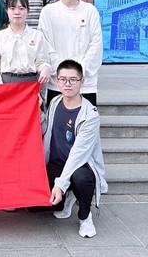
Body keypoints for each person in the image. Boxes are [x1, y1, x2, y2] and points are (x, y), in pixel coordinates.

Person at [43, 59, 107, 238]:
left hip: (80, 165)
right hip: (56, 164)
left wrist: (60, 185)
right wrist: (35, 109)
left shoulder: (90, 115)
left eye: (73, 79)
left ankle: (85, 216)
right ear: (57, 81)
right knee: (34, 206)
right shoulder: (55, 102)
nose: (67, 84)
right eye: (63, 79)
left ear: (82, 82)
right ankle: (67, 197)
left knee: (82, 178)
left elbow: (78, 154)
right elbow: (45, 128)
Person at [38, 0, 103, 106]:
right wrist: (63, 73)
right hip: (58, 83)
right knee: (56, 119)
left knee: (85, 119)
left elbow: (95, 45)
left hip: (85, 83)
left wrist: (78, 72)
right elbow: (45, 44)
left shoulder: (90, 11)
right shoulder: (48, 12)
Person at [0, 0, 51, 90]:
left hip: (30, 84)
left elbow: (42, 62)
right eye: (12, 8)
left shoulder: (37, 35)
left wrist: (45, 67)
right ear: (7, 10)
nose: (17, 12)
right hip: (5, 84)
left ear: (28, 11)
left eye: (21, 8)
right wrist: (0, 87)